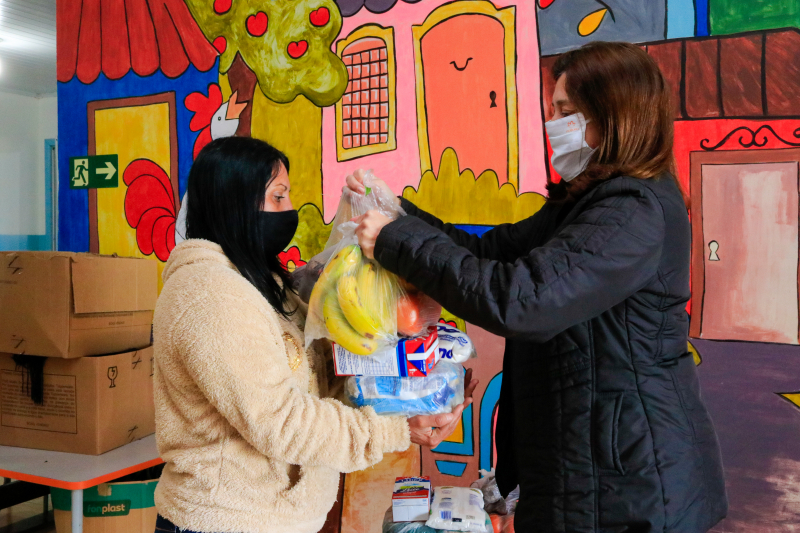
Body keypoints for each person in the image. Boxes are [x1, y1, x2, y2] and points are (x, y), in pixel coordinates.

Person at [349, 41, 728, 532]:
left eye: (567, 113)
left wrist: (397, 240)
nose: (555, 126)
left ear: (613, 117)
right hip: (588, 460)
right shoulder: (587, 204)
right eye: (555, 112)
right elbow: (487, 253)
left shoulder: (632, 210)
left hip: (628, 477)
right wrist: (398, 213)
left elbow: (521, 299)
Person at [152, 136, 476, 533]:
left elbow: (322, 370)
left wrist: (412, 395)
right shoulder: (209, 294)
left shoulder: (260, 281)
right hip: (225, 521)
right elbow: (280, 422)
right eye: (277, 197)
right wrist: (395, 429)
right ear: (233, 202)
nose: (288, 212)